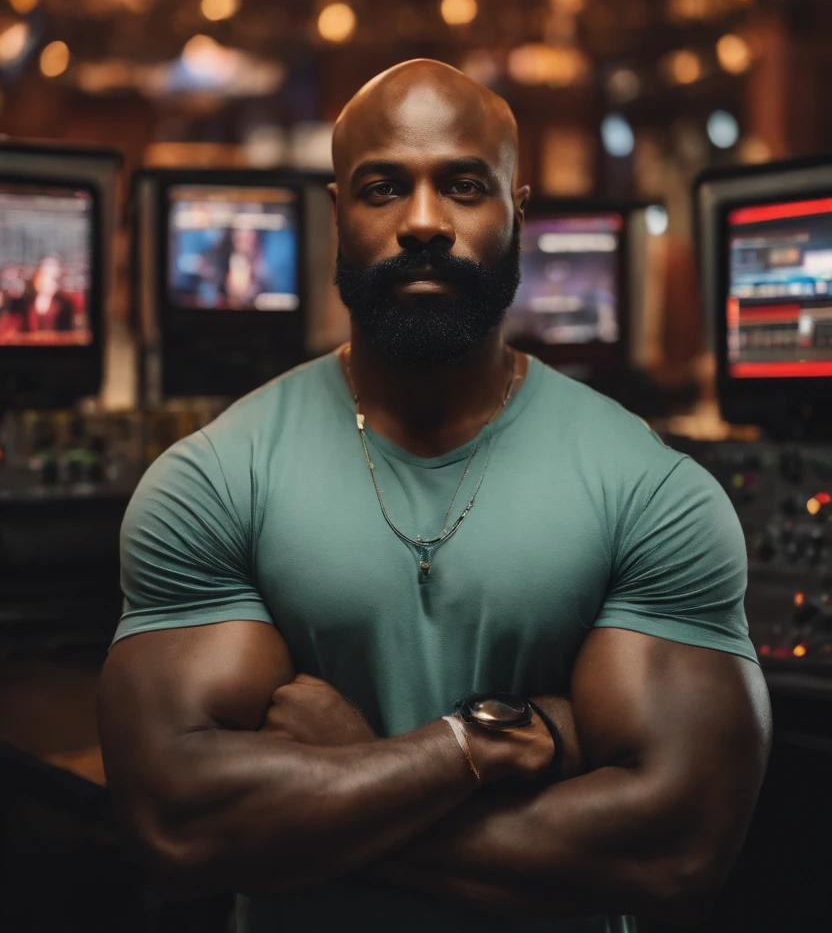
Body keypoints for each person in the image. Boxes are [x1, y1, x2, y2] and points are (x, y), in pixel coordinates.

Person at [99, 59, 771, 933]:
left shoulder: (652, 491)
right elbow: (180, 827)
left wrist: (354, 771)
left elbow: (669, 855)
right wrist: (481, 744)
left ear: (516, 210)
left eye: (462, 185)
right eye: (384, 188)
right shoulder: (214, 481)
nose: (423, 222)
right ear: (338, 210)